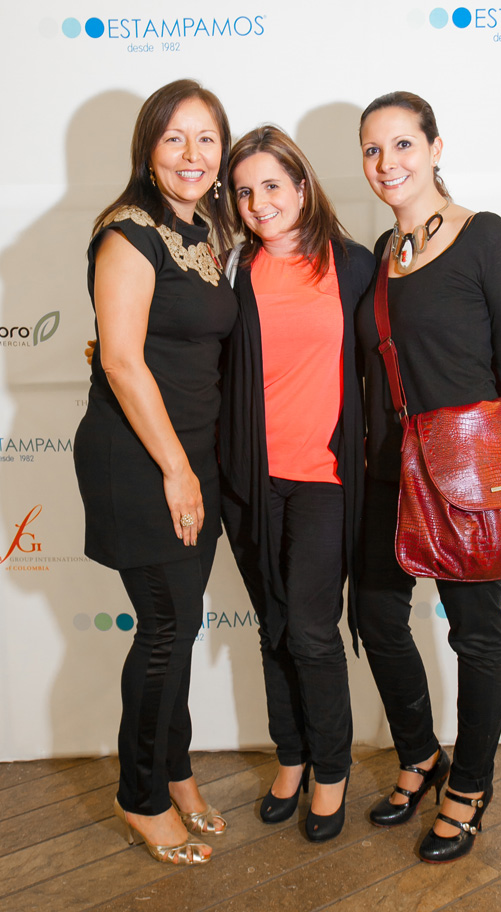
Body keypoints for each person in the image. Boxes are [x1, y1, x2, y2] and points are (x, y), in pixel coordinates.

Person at [355, 92, 501, 863]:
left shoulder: (486, 237)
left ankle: (470, 786)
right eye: (373, 151)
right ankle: (420, 755)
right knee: (376, 618)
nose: (389, 164)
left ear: (436, 146)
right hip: (391, 470)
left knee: (476, 635)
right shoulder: (382, 255)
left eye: (404, 145)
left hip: (470, 475)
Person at [73, 79, 237, 865]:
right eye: (175, 138)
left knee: (181, 625)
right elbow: (123, 361)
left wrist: (197, 462)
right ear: (147, 148)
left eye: (206, 138)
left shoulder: (205, 230)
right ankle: (138, 795)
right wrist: (176, 468)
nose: (192, 155)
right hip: (141, 458)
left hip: (192, 453)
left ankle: (174, 771)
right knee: (167, 629)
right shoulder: (127, 233)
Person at [218, 126, 375, 842]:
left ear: (303, 188)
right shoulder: (230, 269)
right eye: (244, 191)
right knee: (273, 627)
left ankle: (332, 769)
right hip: (249, 481)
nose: (258, 202)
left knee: (312, 630)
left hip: (325, 478)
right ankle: (291, 754)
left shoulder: (353, 267)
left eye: (272, 186)